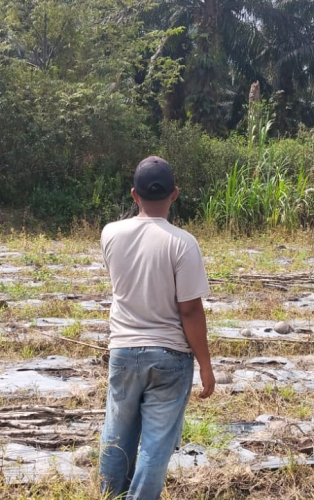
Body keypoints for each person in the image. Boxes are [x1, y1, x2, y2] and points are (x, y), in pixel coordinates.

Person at [99, 156, 216, 500]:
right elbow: (191, 311)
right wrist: (206, 367)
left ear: (134, 195)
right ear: (174, 194)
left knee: (117, 434)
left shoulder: (110, 234)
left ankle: (111, 495)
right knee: (156, 443)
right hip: (169, 356)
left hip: (122, 349)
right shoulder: (182, 243)